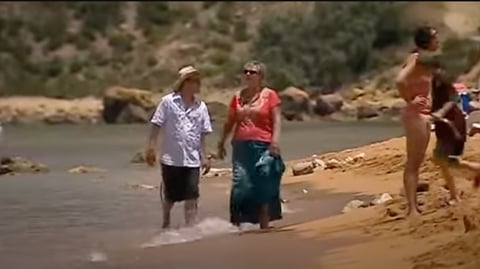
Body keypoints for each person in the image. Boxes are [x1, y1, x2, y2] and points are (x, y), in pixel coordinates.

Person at [217, 61, 285, 230]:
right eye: (245, 71)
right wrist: (221, 142)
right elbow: (229, 122)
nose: (248, 74)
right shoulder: (238, 97)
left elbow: (277, 120)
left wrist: (274, 141)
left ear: (260, 76)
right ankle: (237, 225)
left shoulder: (270, 95)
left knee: (263, 184)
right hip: (241, 146)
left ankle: (264, 223)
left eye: (252, 72)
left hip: (264, 145)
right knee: (241, 184)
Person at [145, 65, 212, 229]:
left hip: (192, 160)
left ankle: (190, 227)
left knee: (192, 195)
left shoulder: (201, 106)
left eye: (198, 80)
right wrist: (150, 148)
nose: (197, 84)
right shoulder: (168, 102)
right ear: (184, 82)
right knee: (170, 196)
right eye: (193, 80)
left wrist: (205, 156)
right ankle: (166, 221)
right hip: (171, 158)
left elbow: (202, 133)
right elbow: (156, 125)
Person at [395, 26, 440, 217]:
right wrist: (410, 100)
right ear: (427, 41)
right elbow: (400, 80)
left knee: (417, 160)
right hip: (415, 115)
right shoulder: (418, 58)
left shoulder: (425, 59)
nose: (438, 41)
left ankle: (413, 205)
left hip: (422, 114)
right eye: (435, 38)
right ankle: (412, 209)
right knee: (413, 162)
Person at [431, 70, 480, 194]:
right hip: (446, 123)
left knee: (443, 160)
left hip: (451, 123)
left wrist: (441, 112)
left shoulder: (442, 78)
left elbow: (453, 99)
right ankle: (476, 171)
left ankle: (454, 194)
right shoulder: (435, 80)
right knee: (446, 160)